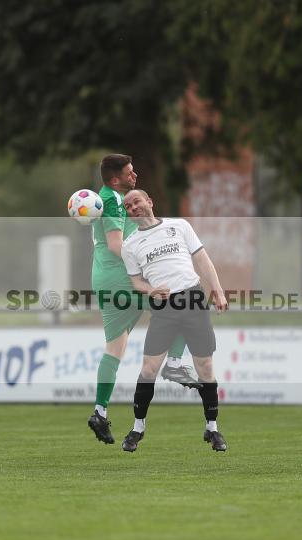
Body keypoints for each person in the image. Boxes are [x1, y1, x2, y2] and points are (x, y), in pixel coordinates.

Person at [87, 154, 198, 445]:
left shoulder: (106, 197)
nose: (134, 176)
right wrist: (144, 256)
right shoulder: (111, 199)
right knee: (181, 301)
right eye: (129, 172)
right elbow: (114, 245)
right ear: (115, 179)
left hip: (103, 278)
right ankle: (174, 361)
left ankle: (99, 411)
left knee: (115, 348)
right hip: (120, 278)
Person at [118, 189, 229, 452]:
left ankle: (212, 429)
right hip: (164, 306)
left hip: (193, 299)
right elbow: (135, 282)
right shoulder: (130, 245)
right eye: (128, 206)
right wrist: (151, 290)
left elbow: (202, 260)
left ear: (150, 202)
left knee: (205, 368)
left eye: (137, 202)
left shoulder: (178, 226)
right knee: (148, 369)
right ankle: (137, 428)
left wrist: (218, 290)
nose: (133, 208)